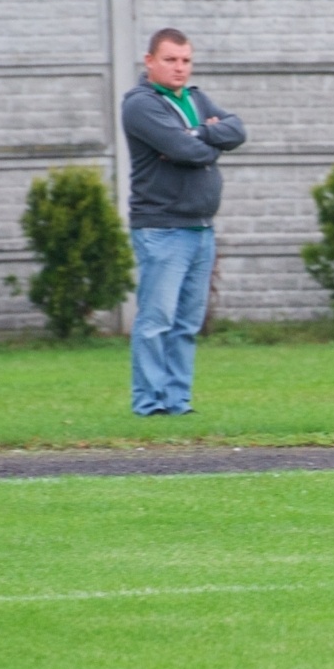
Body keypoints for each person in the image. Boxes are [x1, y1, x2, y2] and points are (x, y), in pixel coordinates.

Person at [121, 28, 247, 416]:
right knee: (156, 321)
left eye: (185, 60)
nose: (179, 68)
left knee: (187, 324)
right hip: (162, 229)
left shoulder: (194, 97)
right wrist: (205, 140)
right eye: (171, 60)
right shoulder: (141, 104)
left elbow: (237, 130)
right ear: (150, 62)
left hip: (201, 229)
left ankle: (178, 402)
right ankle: (149, 404)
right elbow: (183, 150)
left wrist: (200, 132)